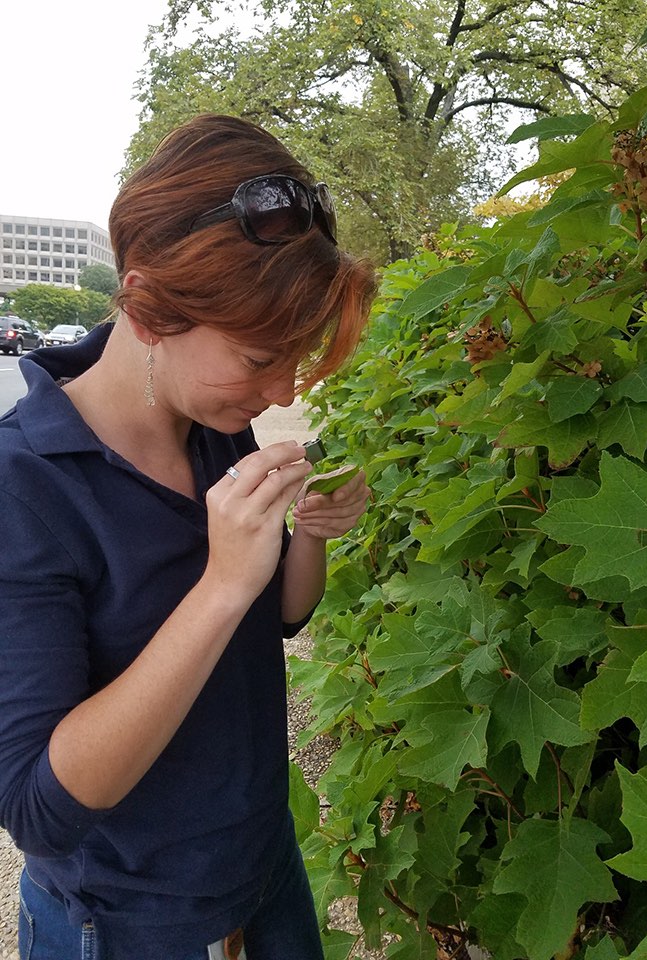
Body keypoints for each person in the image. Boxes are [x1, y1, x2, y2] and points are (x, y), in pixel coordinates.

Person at [0, 114, 376, 960]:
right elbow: (37, 806)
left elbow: (279, 618)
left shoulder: (214, 429)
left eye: (298, 355)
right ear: (148, 307)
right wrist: (220, 584)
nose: (282, 388)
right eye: (257, 357)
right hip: (129, 923)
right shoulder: (24, 485)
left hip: (265, 868)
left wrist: (307, 535)